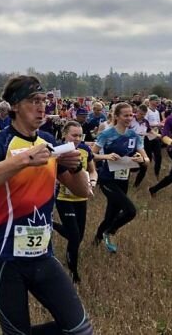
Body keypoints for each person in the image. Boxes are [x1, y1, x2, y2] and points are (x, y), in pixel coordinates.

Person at [0, 75, 94, 335]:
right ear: (14, 105)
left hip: (42, 255)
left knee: (80, 330)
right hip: (6, 259)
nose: (41, 107)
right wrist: (24, 160)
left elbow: (83, 191)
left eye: (44, 101)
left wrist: (76, 166)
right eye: (33, 101)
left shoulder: (48, 142)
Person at [92, 103, 149, 253]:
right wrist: (106, 156)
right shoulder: (107, 134)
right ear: (117, 116)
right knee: (130, 211)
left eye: (131, 115)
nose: (129, 118)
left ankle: (96, 241)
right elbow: (91, 155)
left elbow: (146, 159)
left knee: (111, 216)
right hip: (107, 179)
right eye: (125, 115)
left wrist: (141, 159)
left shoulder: (133, 135)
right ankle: (109, 232)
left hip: (123, 179)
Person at [52, 120, 97, 282]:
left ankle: (51, 225)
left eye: (80, 135)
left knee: (79, 236)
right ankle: (73, 273)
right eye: (74, 135)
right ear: (65, 135)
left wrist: (92, 183)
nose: (77, 139)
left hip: (81, 198)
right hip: (64, 198)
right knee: (74, 237)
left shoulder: (85, 149)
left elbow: (92, 170)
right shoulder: (57, 150)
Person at [144, 94, 163, 178]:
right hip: (147, 137)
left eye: (158, 100)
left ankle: (156, 174)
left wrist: (160, 127)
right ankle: (142, 173)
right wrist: (157, 125)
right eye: (156, 100)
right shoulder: (147, 111)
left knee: (159, 157)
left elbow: (158, 123)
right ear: (150, 101)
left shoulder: (157, 112)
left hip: (155, 137)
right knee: (148, 158)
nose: (157, 101)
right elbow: (145, 124)